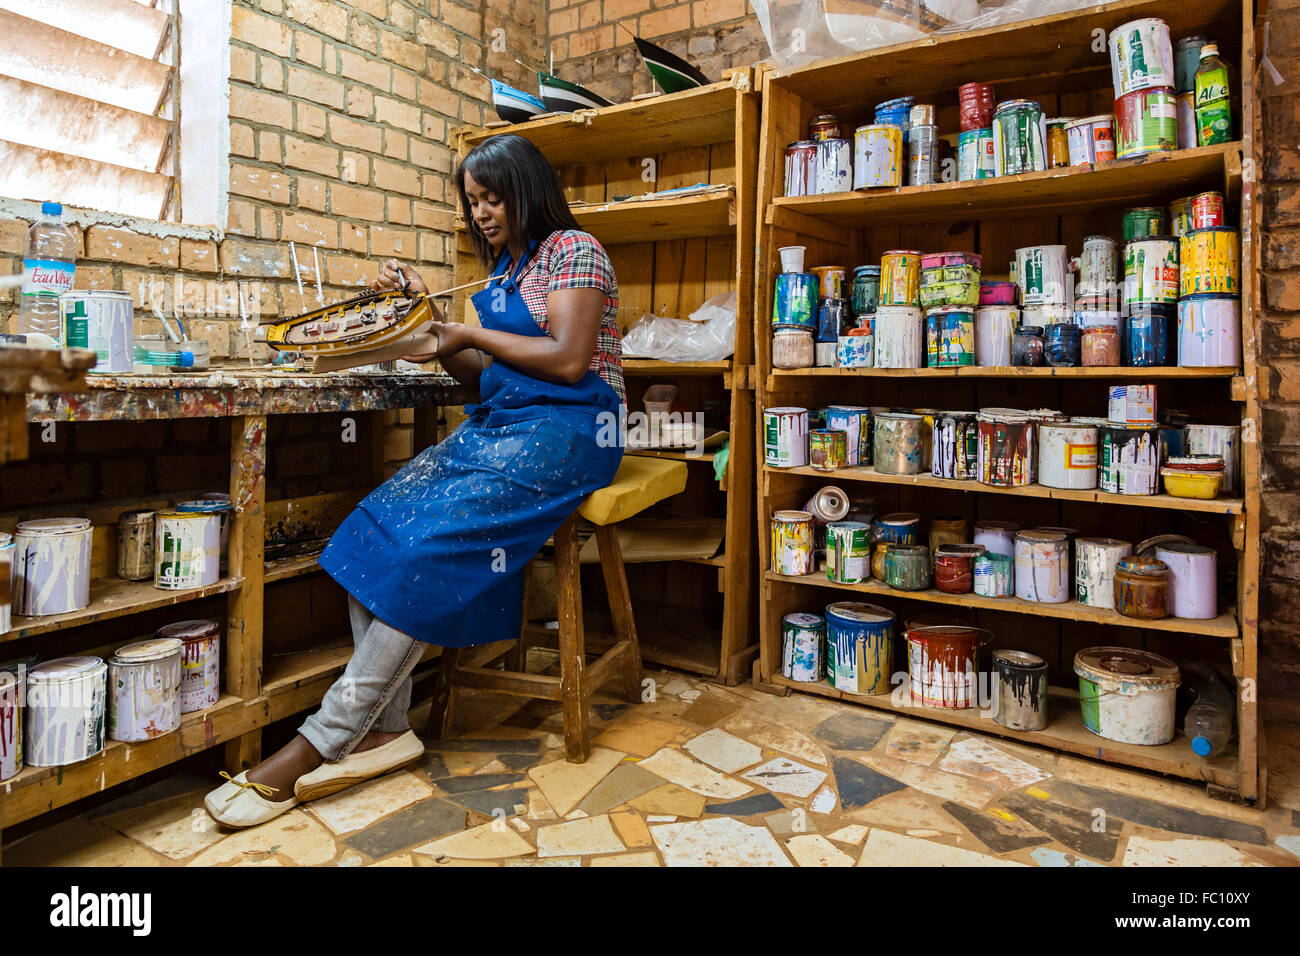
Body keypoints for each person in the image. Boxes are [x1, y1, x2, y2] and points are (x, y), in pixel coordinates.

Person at [205, 133, 625, 828]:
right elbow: (479, 378)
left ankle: (322, 739)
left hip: (575, 431)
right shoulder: (499, 273)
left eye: (493, 198)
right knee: (375, 525)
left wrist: (466, 332)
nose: (482, 213)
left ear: (527, 189)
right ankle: (388, 727)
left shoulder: (574, 251)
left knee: (432, 547)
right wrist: (429, 325)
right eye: (472, 202)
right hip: (504, 422)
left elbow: (570, 361)